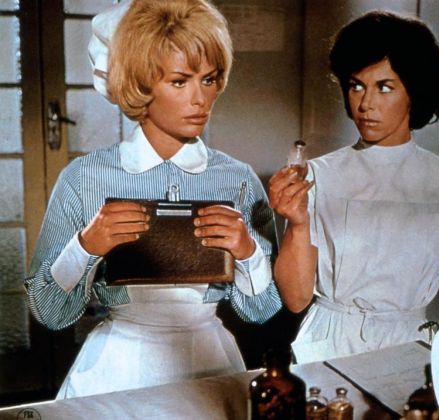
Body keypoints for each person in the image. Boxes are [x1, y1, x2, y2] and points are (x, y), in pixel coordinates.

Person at [25, 0, 281, 398]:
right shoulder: (84, 178)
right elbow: (49, 312)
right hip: (118, 367)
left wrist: (247, 253)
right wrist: (86, 246)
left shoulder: (238, 179)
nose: (200, 99)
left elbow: (262, 311)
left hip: (211, 361)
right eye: (180, 82)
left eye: (209, 80)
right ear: (141, 85)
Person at [268, 11, 439, 363]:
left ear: (414, 91)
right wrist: (297, 224)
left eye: (384, 87)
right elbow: (296, 300)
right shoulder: (317, 175)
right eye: (356, 85)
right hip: (328, 340)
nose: (365, 104)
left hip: (410, 342)